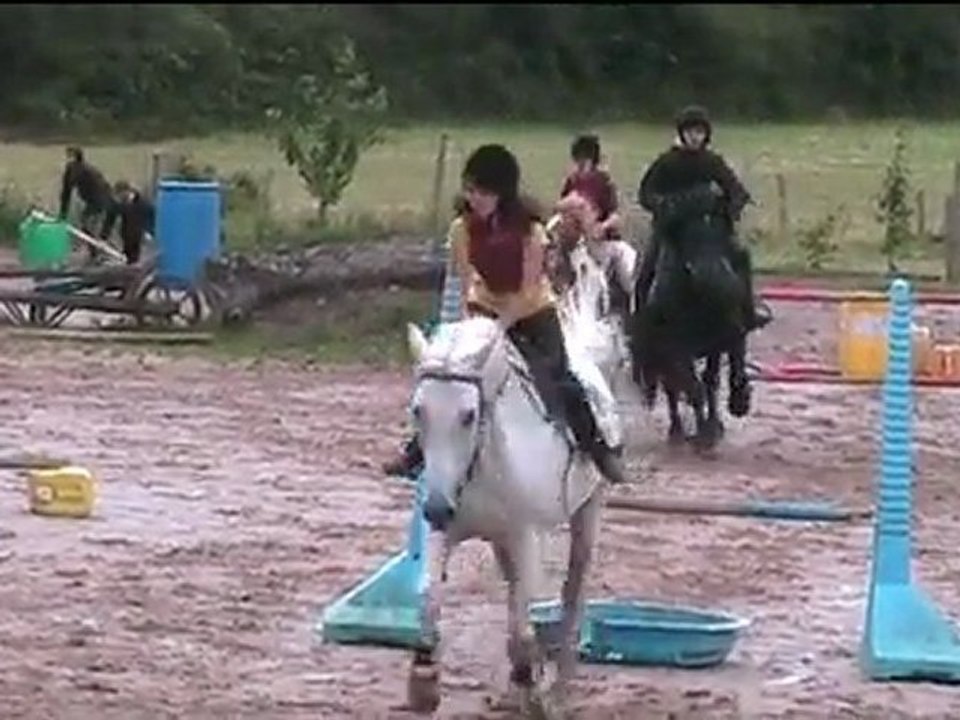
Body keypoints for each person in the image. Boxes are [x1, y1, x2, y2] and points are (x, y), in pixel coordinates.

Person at [383, 144, 626, 485]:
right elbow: (469, 281)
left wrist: (502, 326)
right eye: (469, 191)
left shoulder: (532, 231)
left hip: (532, 312)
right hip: (484, 309)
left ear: (501, 193)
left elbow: (528, 289)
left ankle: (597, 449)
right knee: (447, 379)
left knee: (561, 378)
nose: (474, 199)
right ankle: (417, 451)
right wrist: (475, 329)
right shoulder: (460, 229)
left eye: (481, 192)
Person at [635, 105, 769, 331]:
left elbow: (737, 192)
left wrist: (729, 209)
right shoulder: (667, 162)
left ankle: (747, 310)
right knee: (646, 271)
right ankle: (640, 321)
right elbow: (646, 194)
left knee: (741, 257)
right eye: (690, 132)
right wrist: (663, 205)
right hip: (673, 231)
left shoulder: (713, 162)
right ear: (682, 134)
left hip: (710, 232)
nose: (695, 137)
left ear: (706, 134)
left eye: (699, 132)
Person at [59, 146, 113, 261]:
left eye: (71, 156)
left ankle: (99, 252)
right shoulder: (70, 170)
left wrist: (100, 207)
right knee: (86, 227)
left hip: (100, 199)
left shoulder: (88, 171)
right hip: (91, 200)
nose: (68, 159)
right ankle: (95, 253)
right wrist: (63, 213)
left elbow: (102, 188)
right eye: (68, 156)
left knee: (89, 225)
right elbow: (66, 192)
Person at [100, 180, 155, 265]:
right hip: (126, 236)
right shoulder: (120, 204)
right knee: (127, 258)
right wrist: (104, 237)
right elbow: (110, 219)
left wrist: (149, 231)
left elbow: (151, 216)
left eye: (120, 195)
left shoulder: (142, 203)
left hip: (139, 237)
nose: (119, 198)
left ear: (126, 192)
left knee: (136, 257)